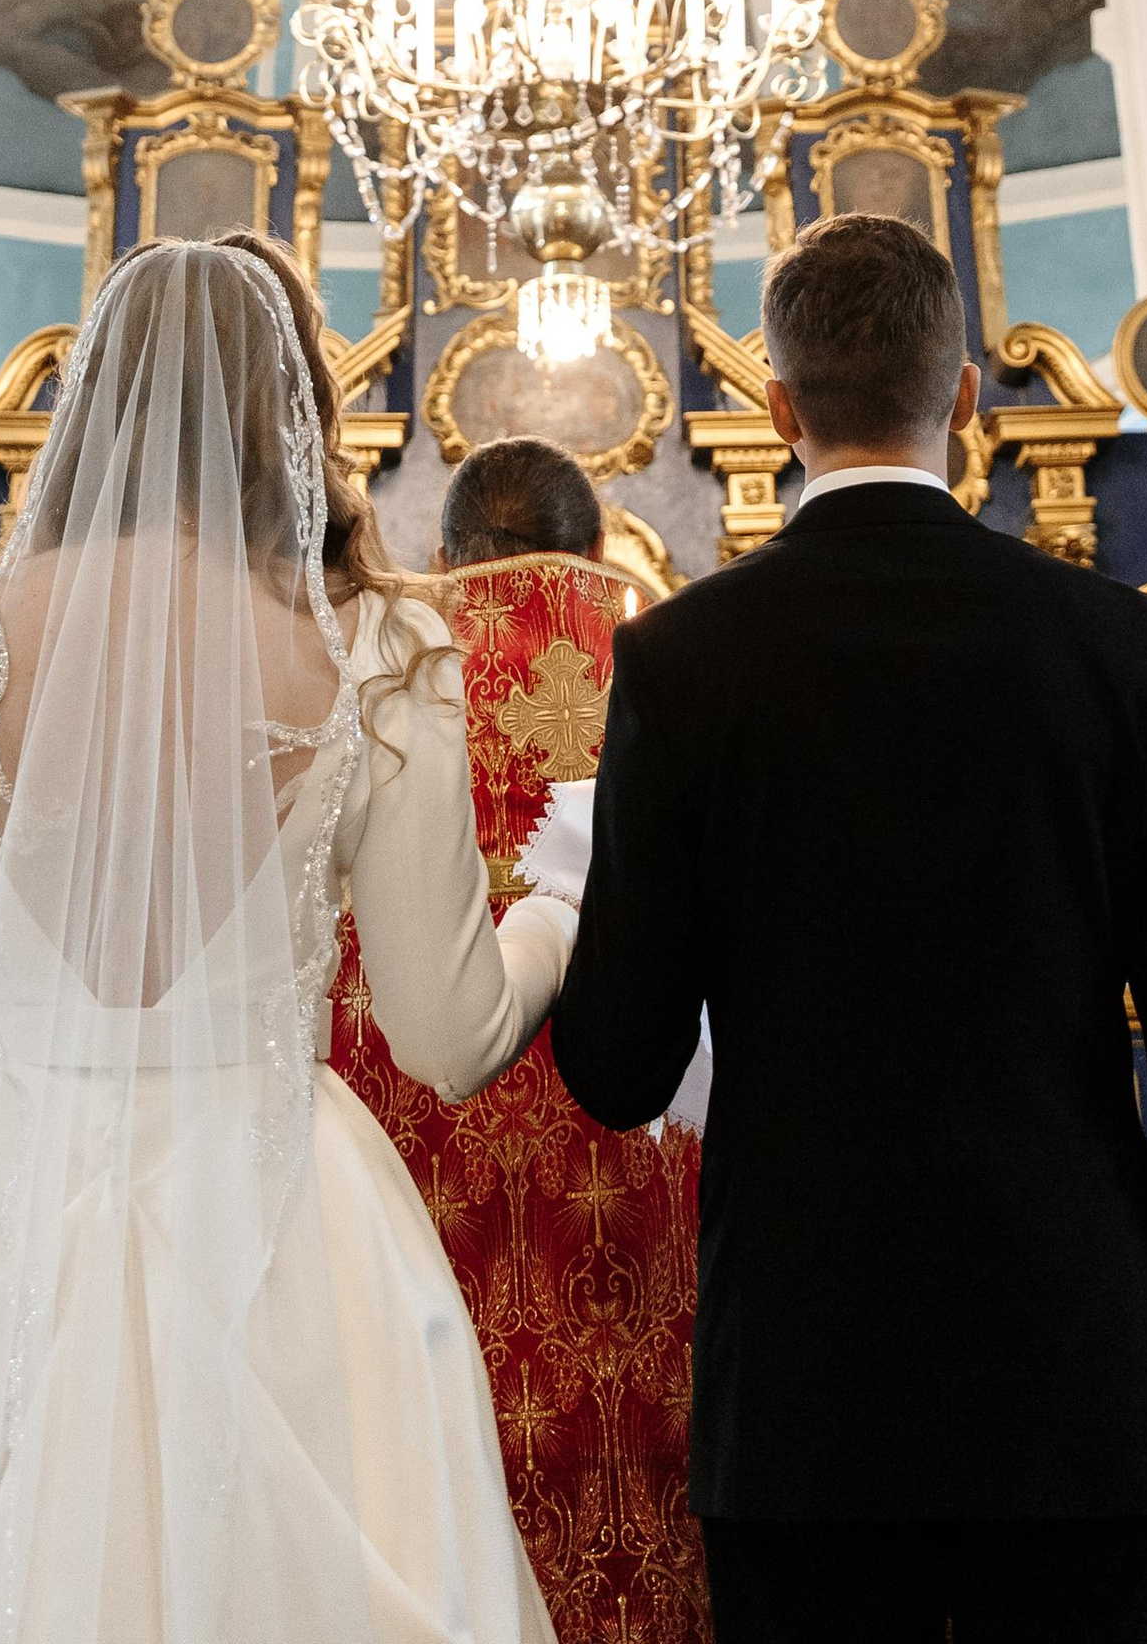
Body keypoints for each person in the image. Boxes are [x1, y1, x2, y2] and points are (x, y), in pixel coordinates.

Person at [0, 235, 581, 1644]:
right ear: (293, 415)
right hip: (290, 1232)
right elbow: (449, 1036)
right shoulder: (380, 656)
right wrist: (557, 917)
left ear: (93, 403)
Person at [549, 212, 1147, 1644]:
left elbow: (620, 1068)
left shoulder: (682, 662)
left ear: (776, 411)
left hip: (803, 1411)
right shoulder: (1114, 646)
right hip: (1091, 1388)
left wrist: (554, 925)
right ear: (966, 397)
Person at [332, 436, 711, 1644]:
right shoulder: (675, 667)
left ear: (441, 554)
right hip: (641, 1155)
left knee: (410, 1459)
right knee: (636, 1457)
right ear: (598, 549)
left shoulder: (375, 670)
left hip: (397, 1139)